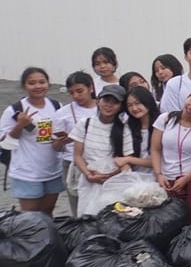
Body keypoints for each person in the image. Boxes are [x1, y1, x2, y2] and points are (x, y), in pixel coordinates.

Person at [1, 67, 64, 214]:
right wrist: (19, 126)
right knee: (30, 217)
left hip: (53, 170)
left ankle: (48, 237)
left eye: (42, 82)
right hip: (27, 173)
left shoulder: (56, 106)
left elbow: (57, 139)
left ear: (48, 84)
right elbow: (4, 143)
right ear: (24, 86)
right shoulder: (15, 110)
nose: (38, 86)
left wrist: (62, 141)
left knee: (48, 211)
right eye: (32, 83)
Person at [150, 89, 191, 223]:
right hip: (166, 178)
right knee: (167, 225)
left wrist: (186, 179)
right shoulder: (165, 119)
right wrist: (159, 174)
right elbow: (155, 149)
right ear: (188, 96)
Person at [69, 84, 132, 216]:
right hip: (88, 180)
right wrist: (89, 175)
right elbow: (78, 156)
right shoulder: (84, 124)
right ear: (98, 101)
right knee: (87, 218)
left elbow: (126, 160)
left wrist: (109, 176)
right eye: (106, 100)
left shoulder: (124, 129)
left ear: (121, 106)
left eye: (115, 102)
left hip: (114, 183)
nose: (109, 105)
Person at [52, 71, 97, 216]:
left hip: (100, 162)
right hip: (72, 164)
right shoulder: (62, 113)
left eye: (80, 91)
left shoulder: (104, 107)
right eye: (71, 93)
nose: (76, 96)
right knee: (78, 207)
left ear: (90, 88)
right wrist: (61, 142)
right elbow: (55, 147)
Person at [115, 86, 157, 174]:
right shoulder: (128, 126)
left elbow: (158, 161)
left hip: (158, 176)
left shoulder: (161, 125)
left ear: (147, 102)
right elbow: (124, 159)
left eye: (137, 103)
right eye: (129, 105)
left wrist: (128, 159)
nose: (134, 108)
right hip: (136, 177)